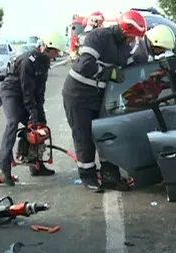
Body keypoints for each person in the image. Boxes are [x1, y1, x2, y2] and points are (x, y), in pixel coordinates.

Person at [62, 9, 147, 193]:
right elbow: (86, 65)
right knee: (84, 137)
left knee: (105, 135)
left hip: (98, 96)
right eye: (133, 37)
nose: (133, 41)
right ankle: (89, 178)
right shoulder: (98, 37)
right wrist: (109, 73)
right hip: (78, 95)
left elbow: (128, 68)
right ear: (125, 32)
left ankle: (110, 176)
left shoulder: (124, 47)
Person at [0, 32, 66, 186]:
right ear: (47, 48)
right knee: (13, 122)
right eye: (56, 51)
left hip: (26, 95)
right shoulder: (29, 61)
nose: (57, 55)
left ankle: (36, 166)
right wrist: (32, 111)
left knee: (39, 125)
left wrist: (38, 114)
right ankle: (2, 165)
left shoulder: (44, 63)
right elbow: (27, 90)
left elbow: (39, 91)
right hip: (12, 92)